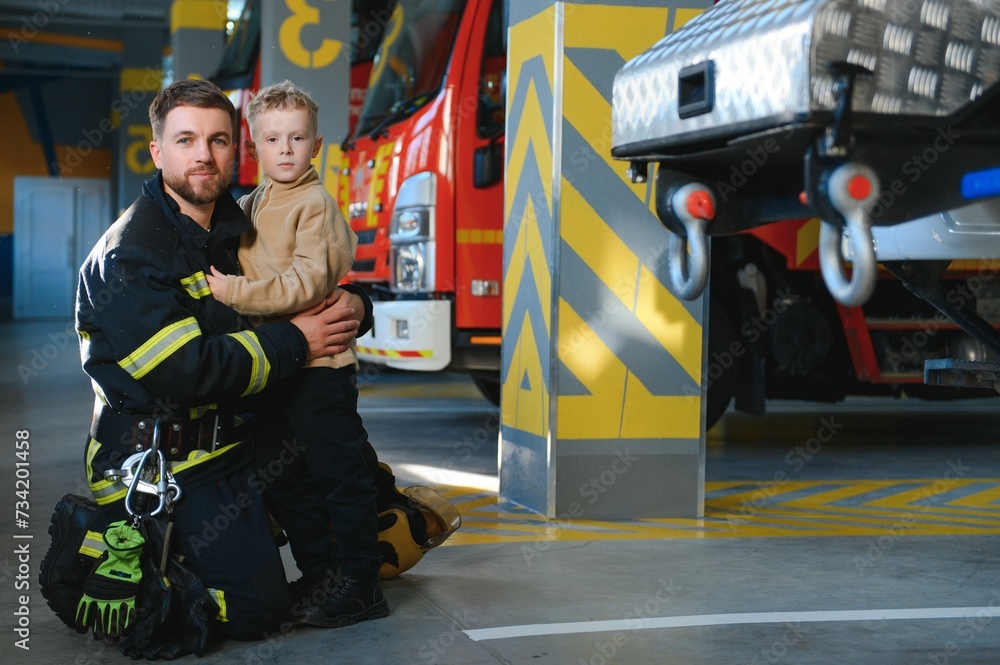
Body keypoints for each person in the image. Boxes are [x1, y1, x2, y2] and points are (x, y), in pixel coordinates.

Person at [75, 78, 371, 644]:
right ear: (158, 151)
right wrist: (300, 341)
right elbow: (188, 371)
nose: (204, 155)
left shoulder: (233, 221)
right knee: (254, 611)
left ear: (238, 150)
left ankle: (343, 575)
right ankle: (122, 544)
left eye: (218, 140)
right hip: (164, 457)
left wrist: (358, 303)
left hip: (237, 436)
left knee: (347, 475)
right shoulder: (133, 253)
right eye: (186, 140)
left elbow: (298, 279)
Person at [205, 80, 387, 628]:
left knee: (340, 475)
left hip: (320, 372)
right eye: (273, 139)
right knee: (281, 477)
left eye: (298, 138)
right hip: (273, 369)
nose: (286, 149)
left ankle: (360, 584)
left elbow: (304, 285)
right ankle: (323, 572)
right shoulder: (249, 204)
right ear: (254, 149)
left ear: (317, 145)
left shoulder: (315, 205)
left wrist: (231, 292)